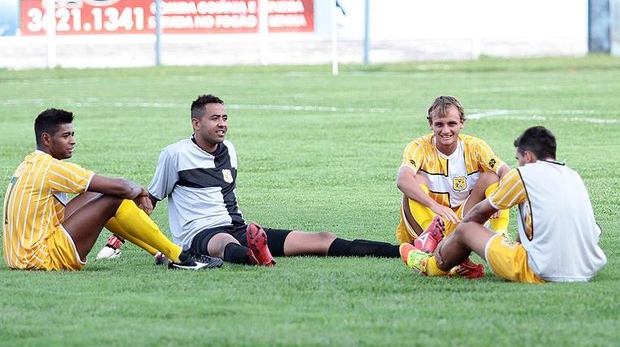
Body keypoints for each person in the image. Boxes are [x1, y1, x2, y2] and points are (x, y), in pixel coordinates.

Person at [98, 94, 400, 265]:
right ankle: (257, 256)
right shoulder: (174, 155)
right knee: (223, 244)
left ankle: (401, 251)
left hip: (241, 228)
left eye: (225, 118)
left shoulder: (229, 149)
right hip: (200, 234)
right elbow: (149, 201)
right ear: (196, 122)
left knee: (321, 239)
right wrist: (116, 240)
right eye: (215, 118)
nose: (222, 124)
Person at [2, 108, 223, 271]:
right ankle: (181, 257)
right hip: (40, 258)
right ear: (47, 139)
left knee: (96, 195)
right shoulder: (51, 168)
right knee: (113, 197)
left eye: (72, 134)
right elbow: (121, 188)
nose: (73, 141)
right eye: (66, 136)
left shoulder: (30, 162)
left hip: (21, 255)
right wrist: (141, 191)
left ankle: (159, 253)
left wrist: (132, 191)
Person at [400, 126, 607, 282]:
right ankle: (464, 256)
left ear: (528, 156)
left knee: (466, 230)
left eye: (519, 159)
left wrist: (450, 241)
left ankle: (431, 264)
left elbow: (478, 215)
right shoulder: (573, 176)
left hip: (540, 271)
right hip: (587, 268)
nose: (518, 164)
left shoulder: (524, 174)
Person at [395, 95, 511, 278]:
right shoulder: (418, 147)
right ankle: (431, 239)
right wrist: (435, 207)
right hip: (424, 223)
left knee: (491, 177)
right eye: (439, 124)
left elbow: (506, 171)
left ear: (461, 123)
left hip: (462, 221)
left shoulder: (475, 147)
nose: (446, 130)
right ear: (430, 124)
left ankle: (502, 237)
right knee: (414, 179)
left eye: (452, 124)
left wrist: (498, 199)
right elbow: (402, 179)